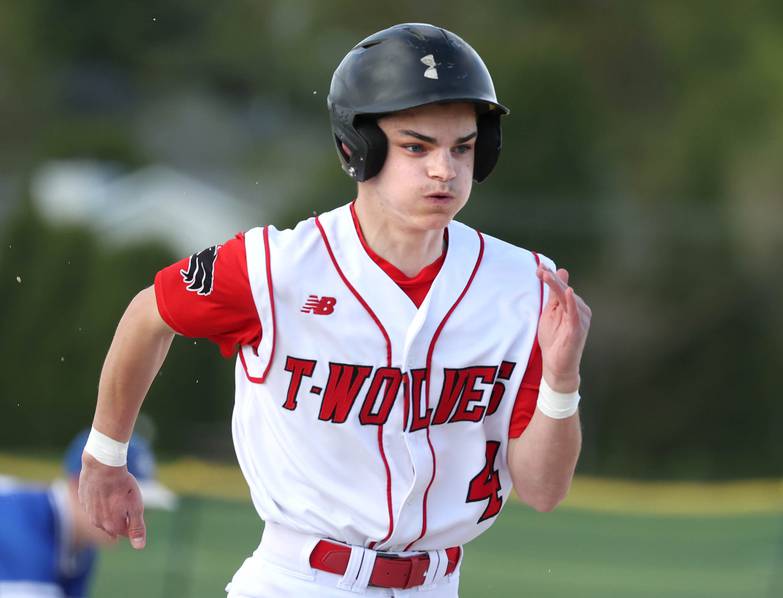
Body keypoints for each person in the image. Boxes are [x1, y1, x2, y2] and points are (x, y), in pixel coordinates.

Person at [78, 23, 591, 597]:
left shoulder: (522, 285)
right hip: (300, 579)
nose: (444, 169)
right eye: (416, 147)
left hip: (437, 584)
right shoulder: (276, 267)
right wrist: (105, 457)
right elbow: (150, 315)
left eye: (462, 147)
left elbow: (544, 491)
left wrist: (562, 377)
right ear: (359, 147)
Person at [0, 430, 175, 598]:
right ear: (81, 485)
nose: (132, 523)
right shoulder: (19, 521)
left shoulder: (81, 548)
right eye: (124, 508)